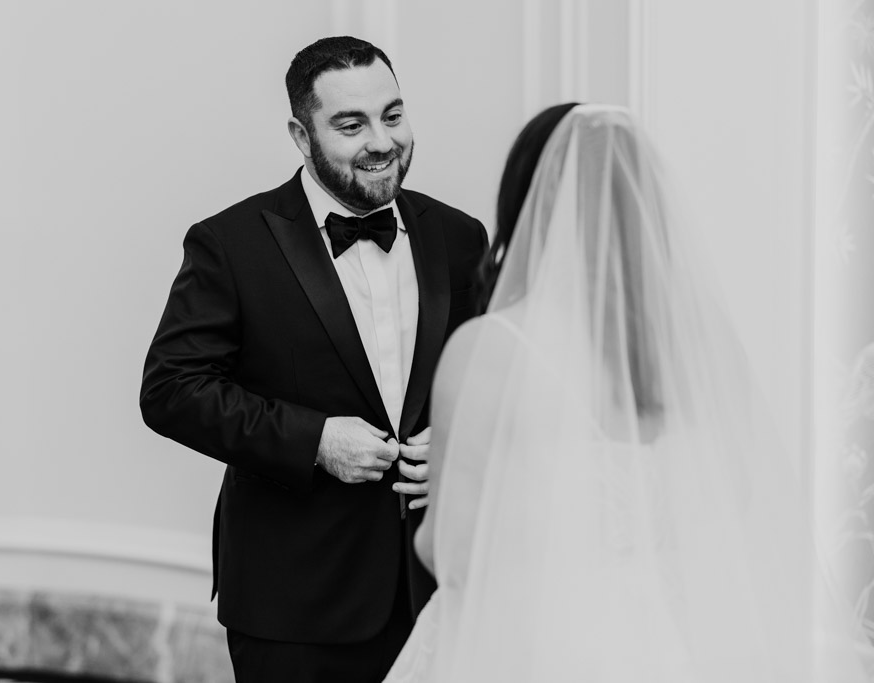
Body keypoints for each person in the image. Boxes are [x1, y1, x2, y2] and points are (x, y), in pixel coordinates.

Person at [384, 104, 873, 681]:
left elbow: (450, 550)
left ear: (529, 202)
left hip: (529, 645)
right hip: (666, 642)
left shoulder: (491, 347)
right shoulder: (701, 343)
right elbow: (733, 500)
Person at [139, 36, 487, 683]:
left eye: (393, 114)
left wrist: (458, 445)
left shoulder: (460, 237)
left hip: (437, 590)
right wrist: (315, 439)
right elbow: (170, 389)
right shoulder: (231, 243)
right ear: (302, 135)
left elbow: (485, 379)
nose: (381, 141)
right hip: (294, 604)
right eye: (350, 125)